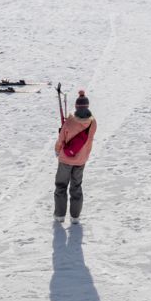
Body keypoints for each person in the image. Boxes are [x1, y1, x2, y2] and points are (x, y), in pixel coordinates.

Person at [54, 89, 98, 222]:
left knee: (61, 186)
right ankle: (75, 217)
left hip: (65, 160)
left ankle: (60, 215)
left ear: (76, 106)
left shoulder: (70, 121)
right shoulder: (93, 123)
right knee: (76, 187)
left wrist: (57, 150)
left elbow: (61, 139)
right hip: (81, 160)